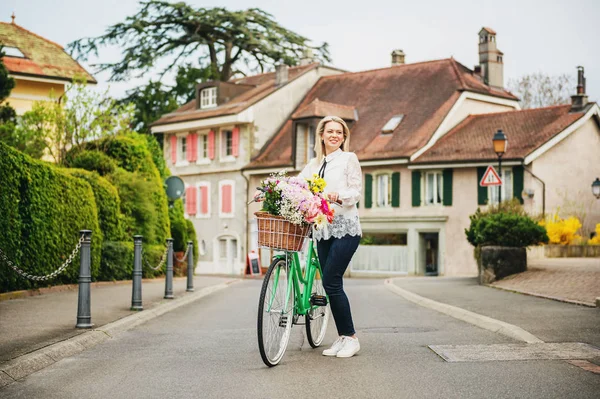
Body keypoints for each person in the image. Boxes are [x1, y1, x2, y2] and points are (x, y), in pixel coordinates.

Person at [299, 115, 363, 358]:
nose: (335, 135)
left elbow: (356, 191)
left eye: (340, 132)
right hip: (322, 230)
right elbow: (297, 184)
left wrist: (337, 196)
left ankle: (351, 338)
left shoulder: (349, 159)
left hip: (346, 228)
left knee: (332, 281)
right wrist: (273, 191)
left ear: (344, 137)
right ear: (322, 135)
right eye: (331, 132)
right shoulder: (313, 165)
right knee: (329, 284)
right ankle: (342, 337)